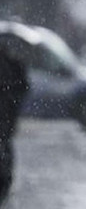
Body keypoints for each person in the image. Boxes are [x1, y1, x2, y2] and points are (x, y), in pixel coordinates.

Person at [0, 43, 29, 203]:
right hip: (8, 114)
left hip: (6, 114)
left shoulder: (11, 64)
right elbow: (24, 87)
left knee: (4, 147)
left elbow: (23, 86)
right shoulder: (13, 63)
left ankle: (4, 182)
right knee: (5, 147)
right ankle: (5, 181)